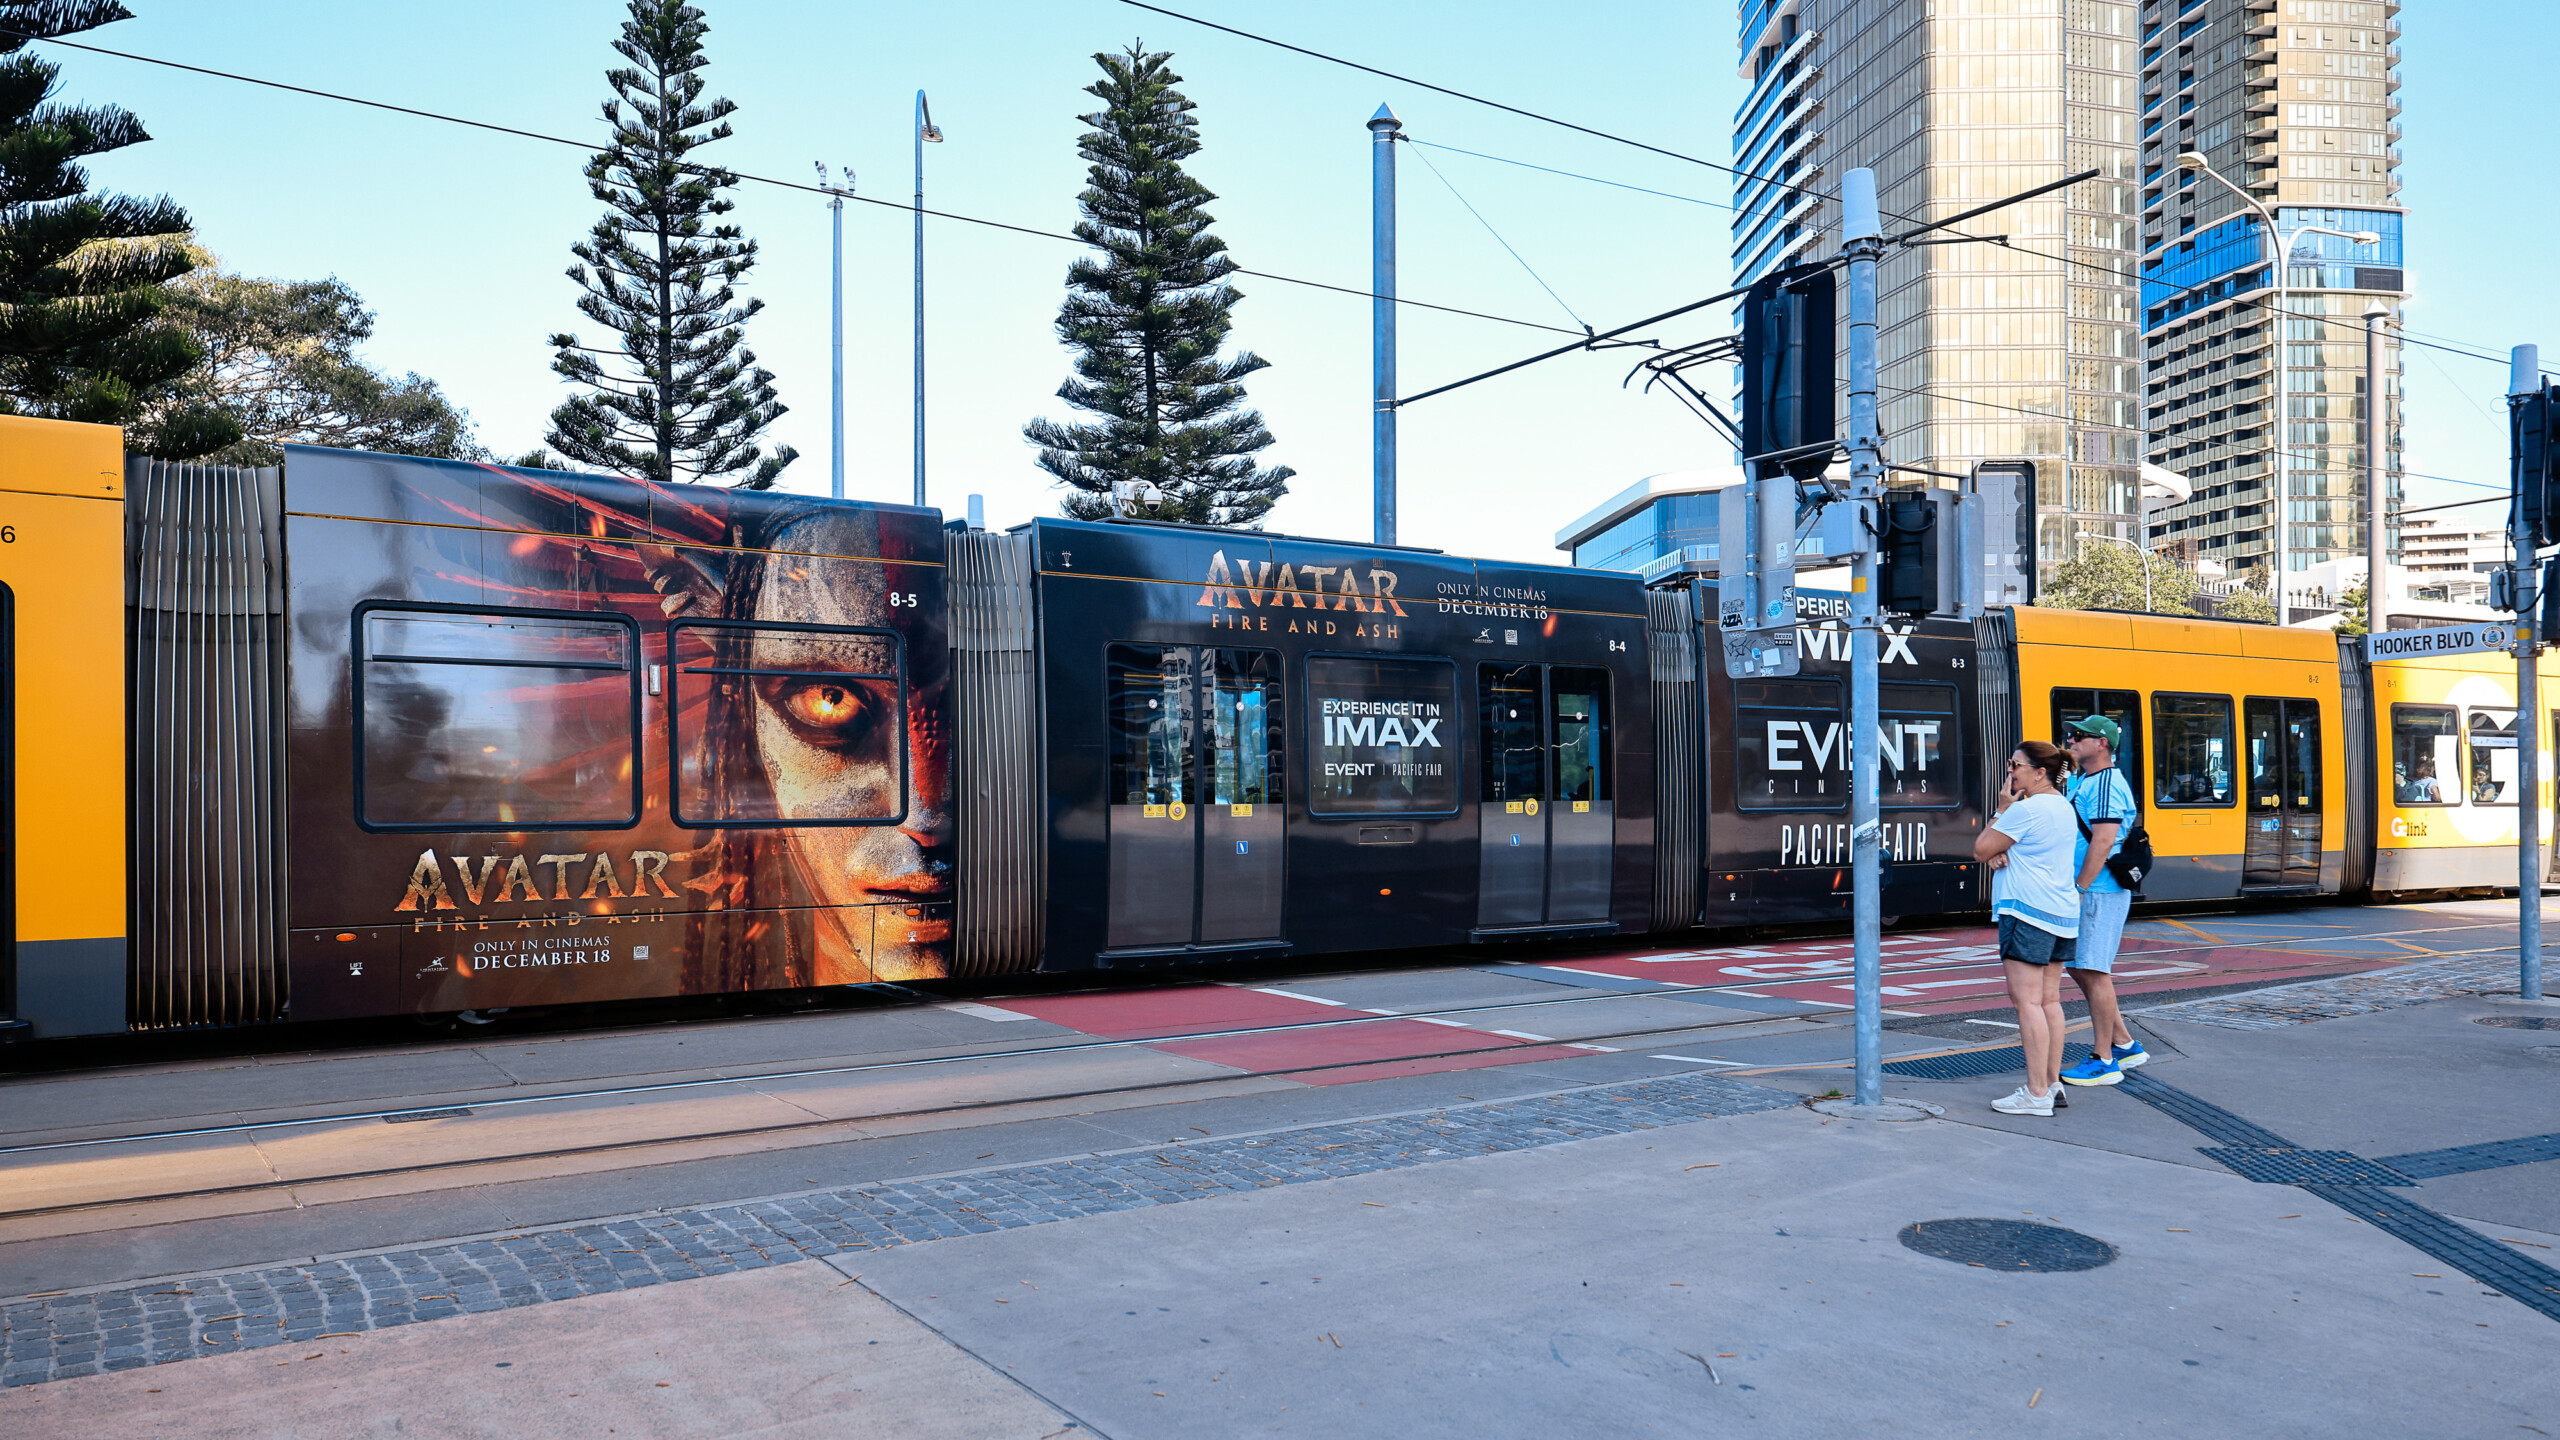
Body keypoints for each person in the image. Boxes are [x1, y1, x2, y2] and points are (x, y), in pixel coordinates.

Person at [1974, 740, 2079, 1116]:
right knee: (2049, 1000)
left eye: (2015, 765)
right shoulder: (2062, 806)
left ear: (2040, 772)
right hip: (2062, 913)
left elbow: (1981, 848)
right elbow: (2008, 850)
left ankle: (2035, 1095)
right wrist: (2000, 851)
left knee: (2028, 1002)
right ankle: (2051, 1084)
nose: (2010, 771)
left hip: (2026, 912)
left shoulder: (2024, 809)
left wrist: (2001, 809)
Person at [2056, 716, 2150, 1088]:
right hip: (2090, 889)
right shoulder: (2084, 780)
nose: (2072, 740)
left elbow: (2104, 841)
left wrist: (2079, 888)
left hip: (2100, 890)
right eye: (2071, 735)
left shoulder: (2108, 783)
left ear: (2103, 744)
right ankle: (2124, 1044)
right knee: (2080, 967)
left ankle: (2104, 1060)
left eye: (2080, 736)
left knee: (2093, 971)